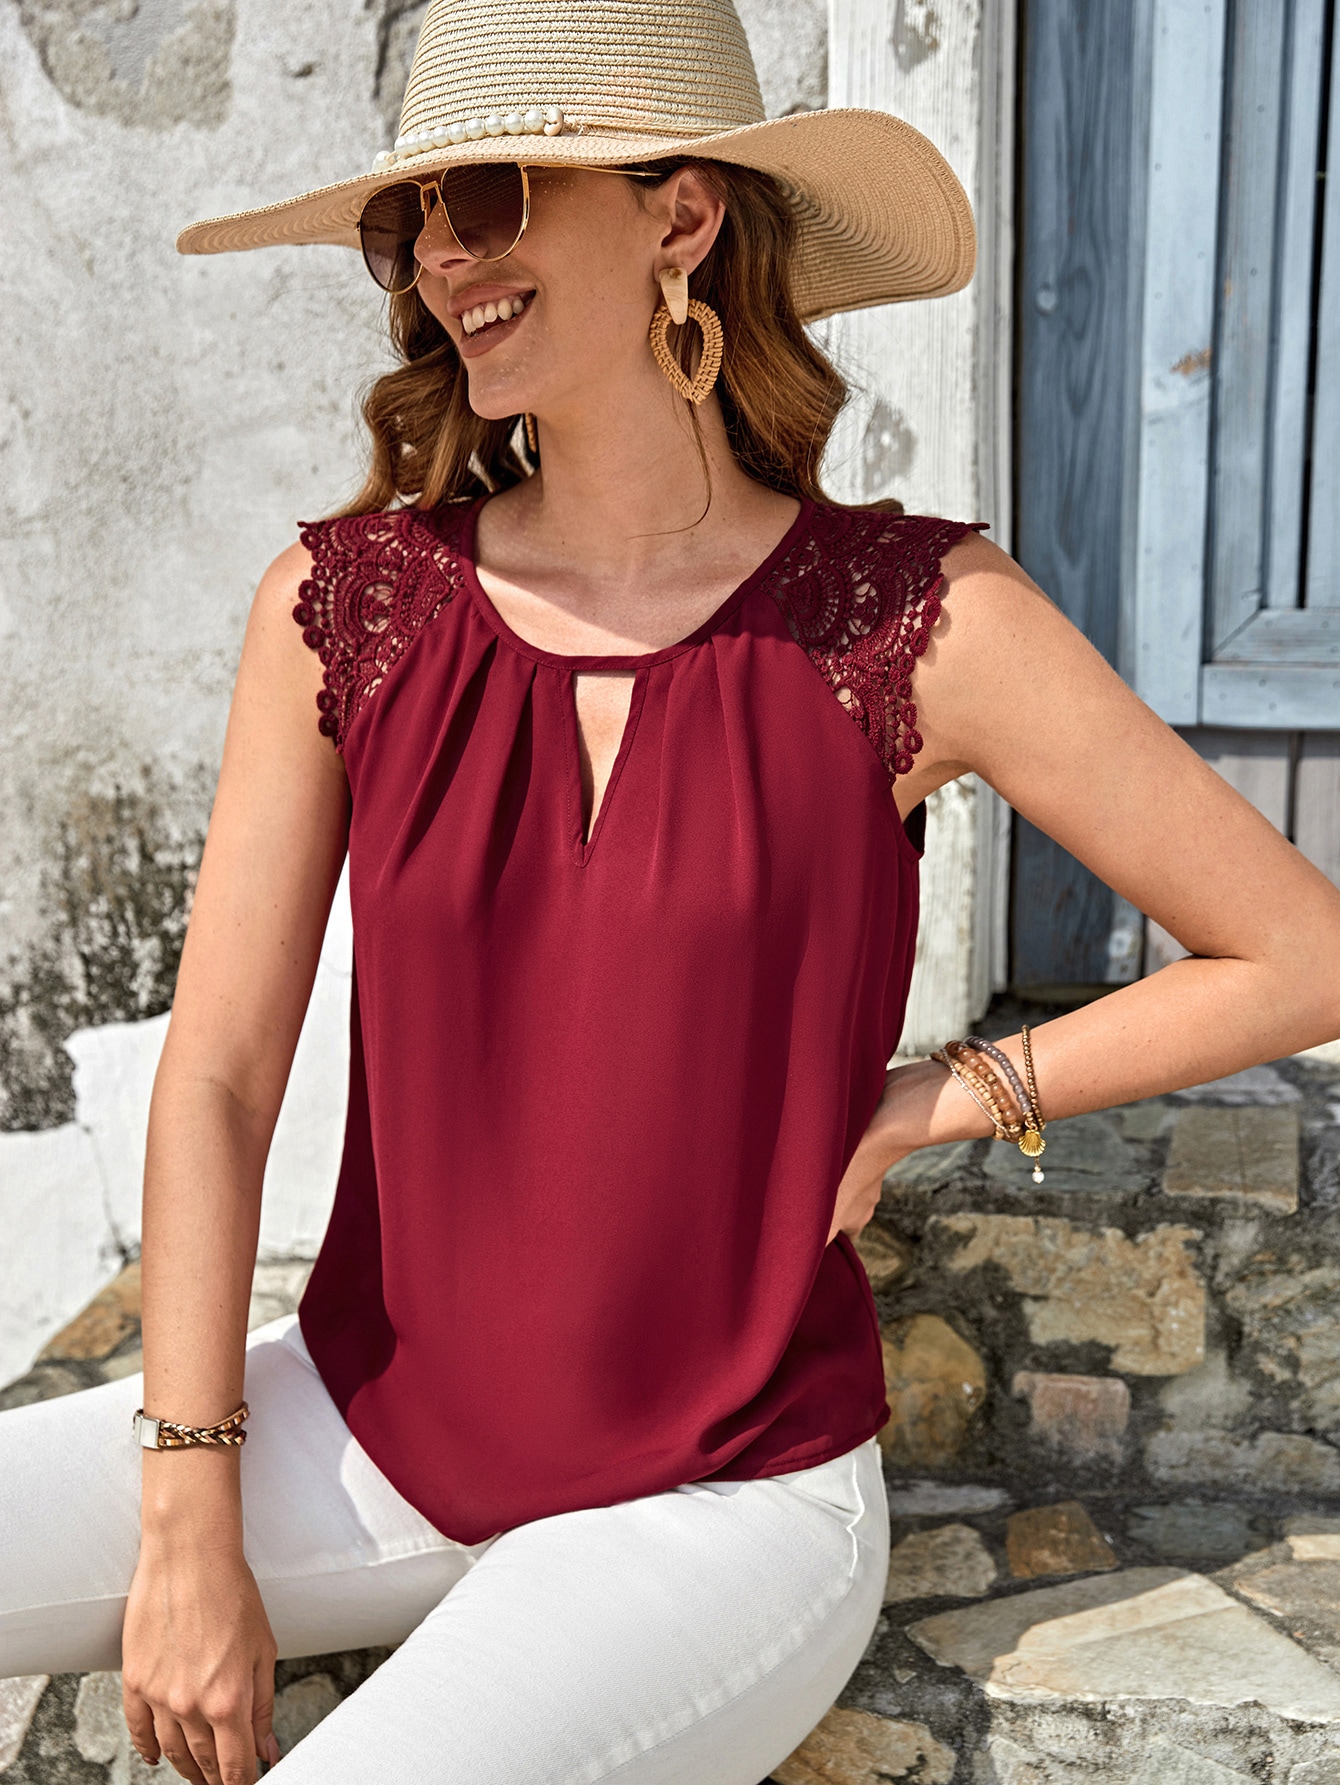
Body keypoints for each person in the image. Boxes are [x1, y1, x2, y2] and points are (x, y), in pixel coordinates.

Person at [4, 2, 1339, 1781]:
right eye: (411, 221)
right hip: (379, 1425)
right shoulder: (346, 611)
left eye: (492, 194)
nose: (444, 256)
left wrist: (948, 1094)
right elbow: (223, 1078)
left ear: (682, 216)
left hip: (722, 1502)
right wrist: (190, 1511)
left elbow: (1301, 951)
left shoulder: (911, 621)